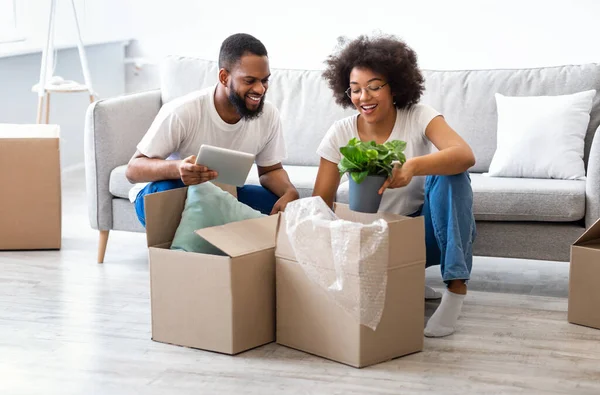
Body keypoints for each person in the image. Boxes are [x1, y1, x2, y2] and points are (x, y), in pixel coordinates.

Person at [312, 34, 477, 338]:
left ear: (395, 86)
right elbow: (319, 204)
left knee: (452, 173)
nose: (364, 97)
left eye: (374, 86)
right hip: (369, 241)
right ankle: (407, 275)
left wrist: (413, 167)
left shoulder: (418, 116)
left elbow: (465, 155)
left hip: (419, 234)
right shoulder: (339, 133)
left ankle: (456, 289)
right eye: (356, 89)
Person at [126, 33, 299, 226]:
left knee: (279, 206)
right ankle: (183, 251)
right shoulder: (184, 112)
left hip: (223, 193)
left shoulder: (268, 115)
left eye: (264, 80)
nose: (260, 89)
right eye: (250, 81)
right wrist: (178, 168)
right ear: (224, 77)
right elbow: (133, 170)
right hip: (177, 190)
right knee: (165, 191)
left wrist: (289, 191)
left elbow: (270, 170)